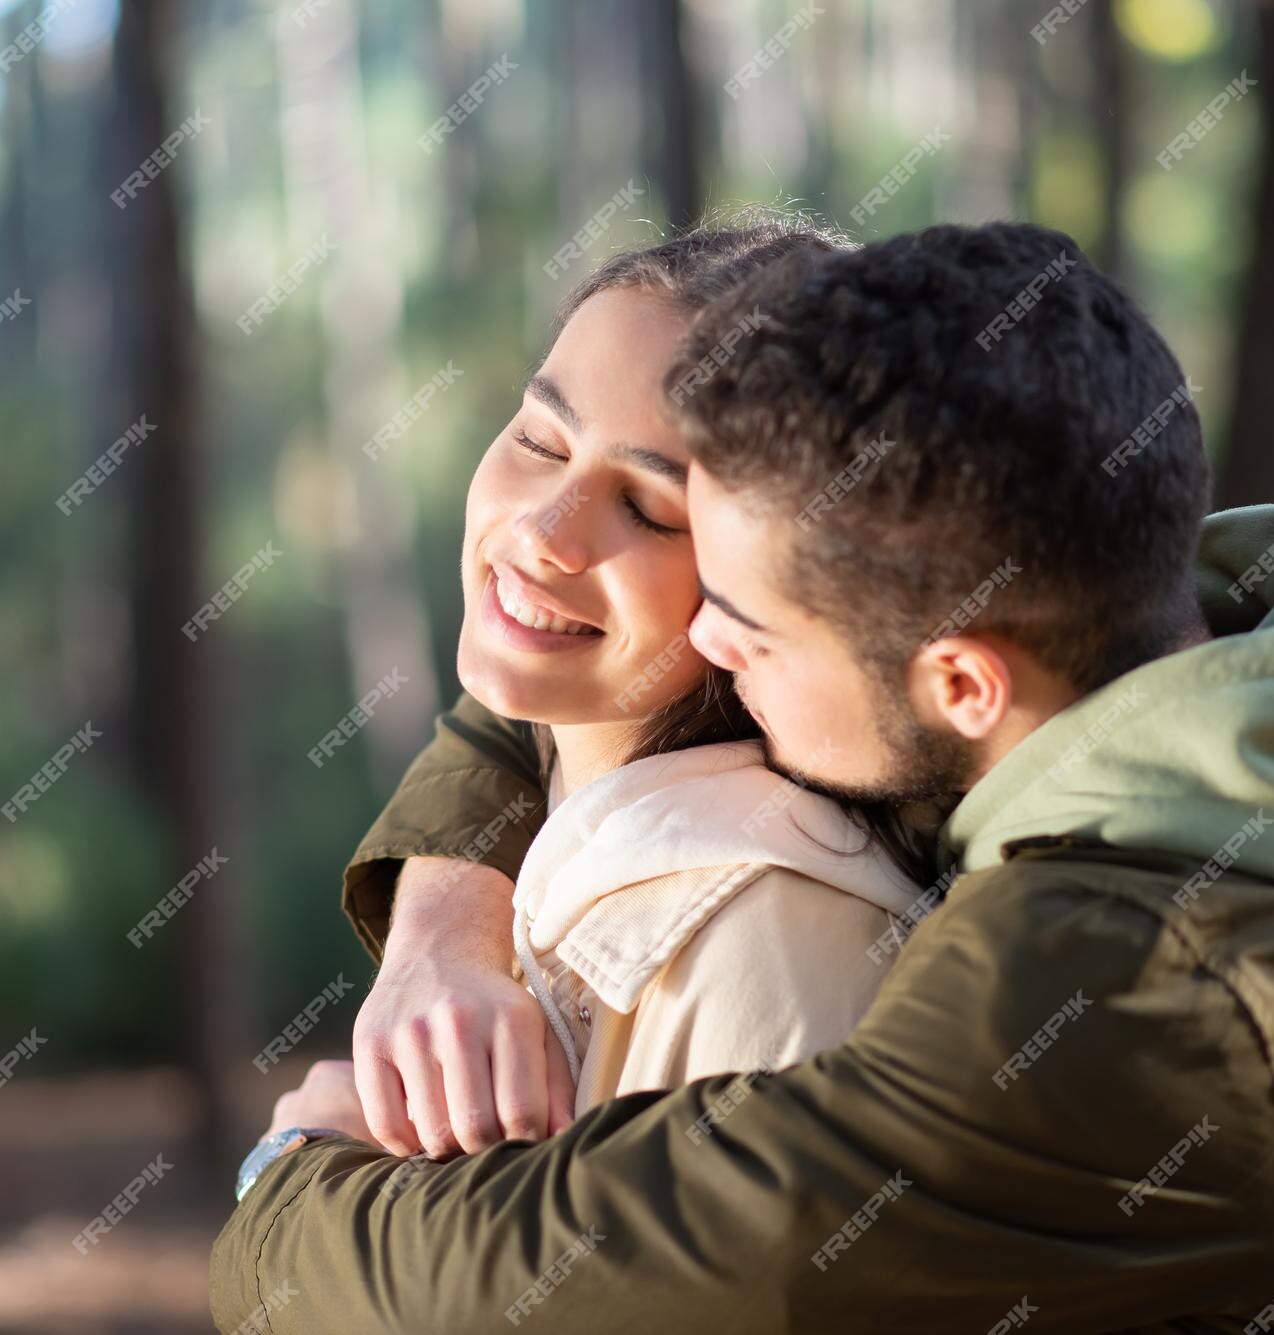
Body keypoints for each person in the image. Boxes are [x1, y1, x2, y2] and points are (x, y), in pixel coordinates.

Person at [214, 221, 1274, 1334]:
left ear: (961, 682)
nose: (714, 647)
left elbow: (627, 1260)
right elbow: (545, 683)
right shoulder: (1197, 670)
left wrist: (289, 1184)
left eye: (742, 610)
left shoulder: (1092, 981)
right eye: (542, 440)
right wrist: (443, 924)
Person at [284, 215, 935, 1164]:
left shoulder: (777, 941)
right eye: (543, 441)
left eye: (648, 508)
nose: (547, 528)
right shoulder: (560, 814)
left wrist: (302, 1162)